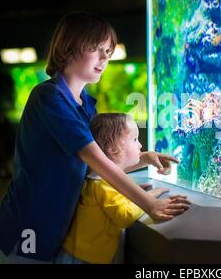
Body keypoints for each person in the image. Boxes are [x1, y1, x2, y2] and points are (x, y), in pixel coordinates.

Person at [0, 12, 190, 263]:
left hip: (55, 228)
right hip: (24, 230)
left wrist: (143, 159)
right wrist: (148, 203)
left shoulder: (86, 106)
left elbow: (88, 168)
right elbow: (94, 159)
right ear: (69, 47)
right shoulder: (49, 98)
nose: (105, 57)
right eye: (97, 48)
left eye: (108, 51)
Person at [56, 113, 169, 264]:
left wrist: (129, 193)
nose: (140, 145)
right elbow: (124, 216)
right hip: (83, 258)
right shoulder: (102, 184)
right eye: (135, 139)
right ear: (113, 148)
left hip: (79, 254)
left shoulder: (100, 179)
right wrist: (150, 195)